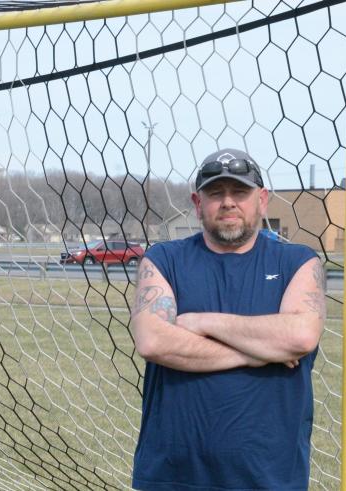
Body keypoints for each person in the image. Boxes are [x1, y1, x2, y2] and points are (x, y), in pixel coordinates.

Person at [131, 149, 326, 490]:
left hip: (269, 477)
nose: (228, 203)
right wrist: (257, 352)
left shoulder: (297, 262)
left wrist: (202, 322)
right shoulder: (164, 259)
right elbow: (153, 340)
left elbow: (300, 337)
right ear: (197, 202)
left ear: (262, 200)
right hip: (173, 477)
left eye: (239, 192)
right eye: (216, 193)